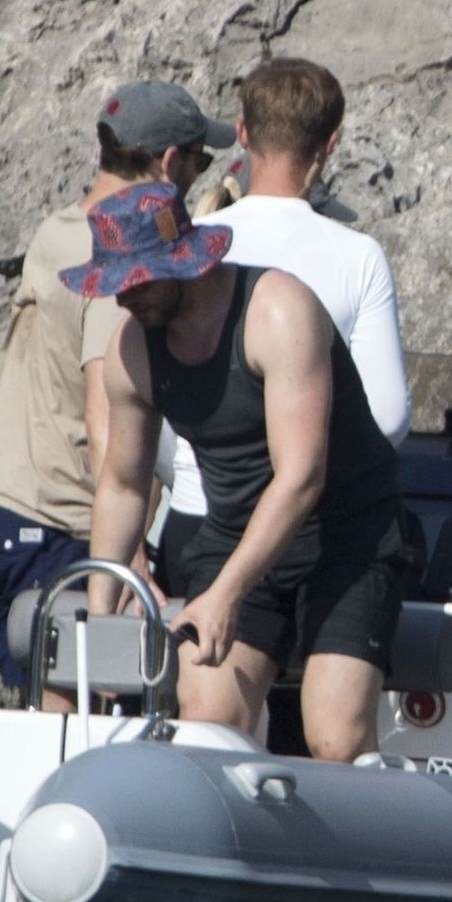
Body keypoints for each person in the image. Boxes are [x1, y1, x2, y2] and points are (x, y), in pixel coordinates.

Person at [70, 183, 408, 762]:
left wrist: (226, 593)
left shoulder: (277, 310)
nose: (126, 298)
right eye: (116, 284)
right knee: (208, 720)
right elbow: (124, 485)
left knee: (335, 738)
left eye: (139, 281)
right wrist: (101, 612)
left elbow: (301, 476)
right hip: (234, 534)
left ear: (182, 263)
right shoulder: (133, 351)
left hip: (346, 538)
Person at [0, 81, 232, 705]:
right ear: (170, 162)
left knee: (47, 717)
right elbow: (105, 414)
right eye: (199, 161)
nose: (197, 176)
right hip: (57, 519)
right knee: (77, 714)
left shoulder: (57, 231)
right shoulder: (122, 267)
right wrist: (130, 563)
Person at [154, 58, 410, 600]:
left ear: (242, 134)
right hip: (308, 529)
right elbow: (386, 418)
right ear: (331, 142)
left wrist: (192, 471)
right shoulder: (356, 255)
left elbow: (154, 389)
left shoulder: (192, 240)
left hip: (197, 517)